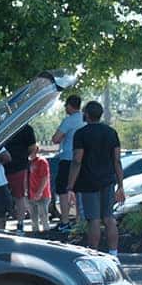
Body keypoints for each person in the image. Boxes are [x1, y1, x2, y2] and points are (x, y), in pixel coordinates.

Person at [67, 100, 125, 255]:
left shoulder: (81, 134)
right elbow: (117, 160)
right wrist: (120, 185)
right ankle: (114, 253)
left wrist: (70, 186)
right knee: (109, 218)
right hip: (108, 181)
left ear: (86, 114)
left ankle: (94, 253)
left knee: (94, 219)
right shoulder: (111, 132)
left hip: (88, 182)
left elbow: (77, 160)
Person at [52, 94, 85, 225]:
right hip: (83, 159)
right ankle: (79, 221)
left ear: (70, 106)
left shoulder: (69, 120)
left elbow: (55, 138)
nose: (65, 108)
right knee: (79, 189)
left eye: (66, 105)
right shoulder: (85, 119)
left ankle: (65, 220)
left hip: (68, 158)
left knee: (63, 189)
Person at [2, 121, 38, 234]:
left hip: (19, 167)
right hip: (3, 167)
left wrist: (23, 156)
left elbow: (32, 147)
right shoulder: (5, 126)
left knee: (19, 196)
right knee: (9, 197)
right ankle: (7, 222)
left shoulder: (26, 128)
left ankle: (20, 224)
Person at [28, 148, 52, 233]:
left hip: (43, 194)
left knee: (43, 216)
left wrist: (39, 192)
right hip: (31, 194)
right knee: (33, 217)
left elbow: (45, 177)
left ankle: (46, 232)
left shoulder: (42, 161)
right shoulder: (28, 163)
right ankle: (35, 233)